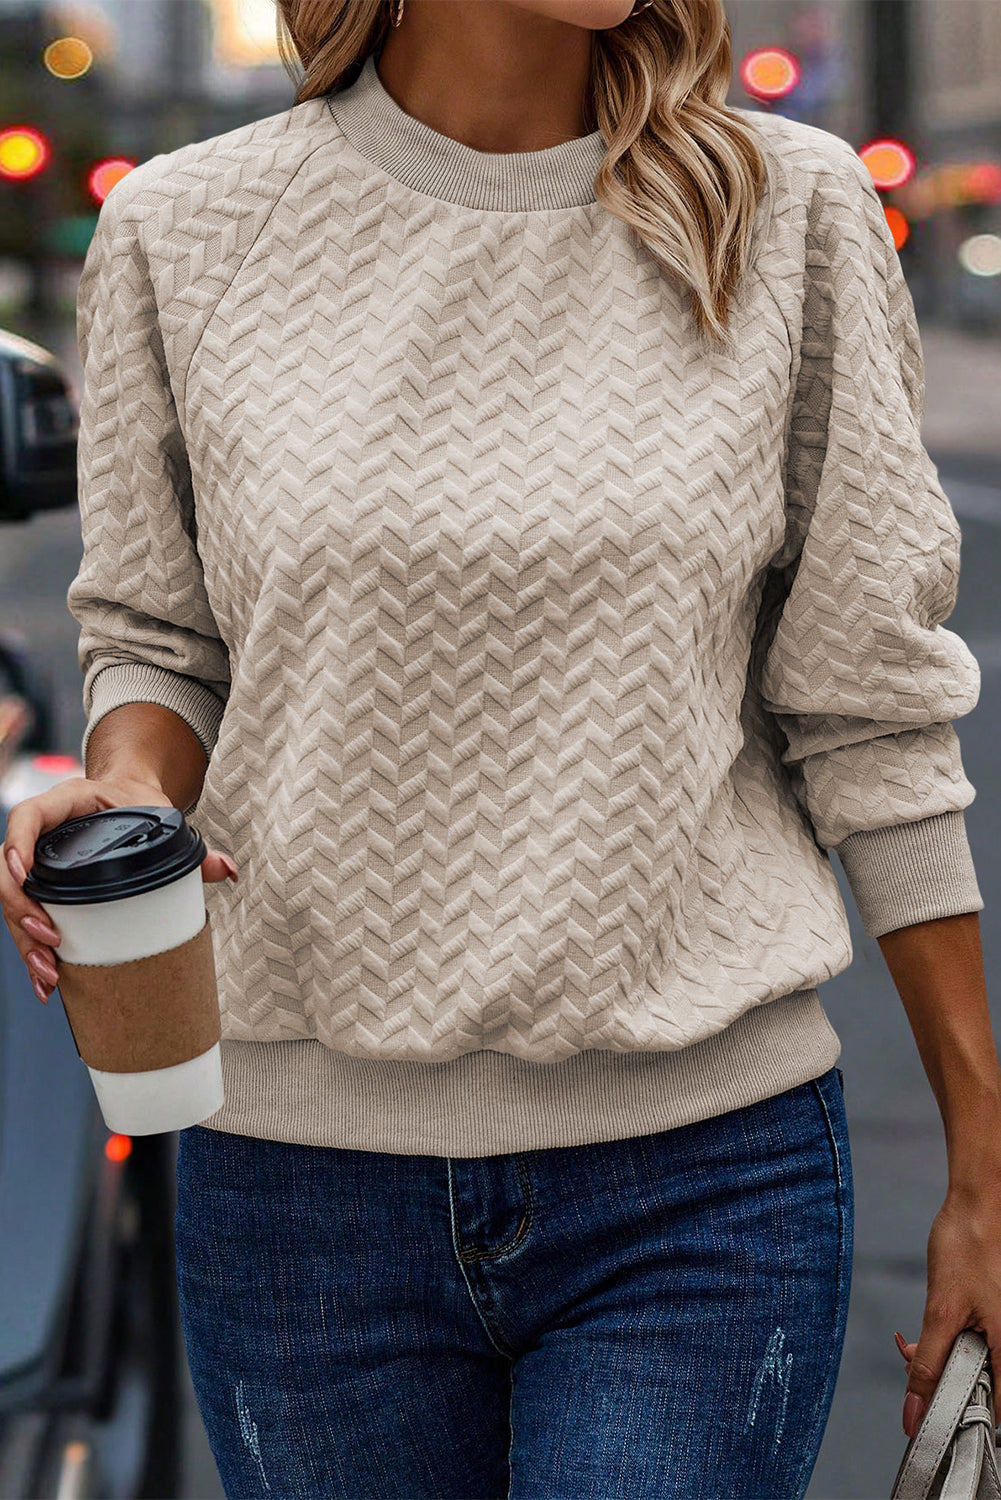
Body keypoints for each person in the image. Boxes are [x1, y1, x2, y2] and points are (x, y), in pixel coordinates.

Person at [1, 1, 997, 1495]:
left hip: (701, 1185)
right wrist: (130, 783)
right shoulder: (181, 231)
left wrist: (981, 1168)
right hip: (298, 1192)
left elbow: (873, 712)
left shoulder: (783, 209)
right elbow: (162, 636)